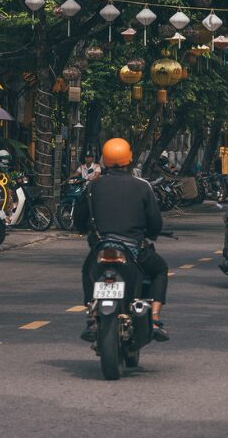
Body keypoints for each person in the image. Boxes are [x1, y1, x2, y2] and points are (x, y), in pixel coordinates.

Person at [74, 138, 169, 342]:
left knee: (87, 270)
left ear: (104, 160)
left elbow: (79, 219)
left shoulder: (92, 187)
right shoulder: (142, 186)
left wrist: (83, 230)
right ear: (129, 159)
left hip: (101, 248)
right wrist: (152, 234)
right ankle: (153, 317)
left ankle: (92, 315)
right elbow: (155, 222)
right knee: (160, 269)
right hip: (134, 251)